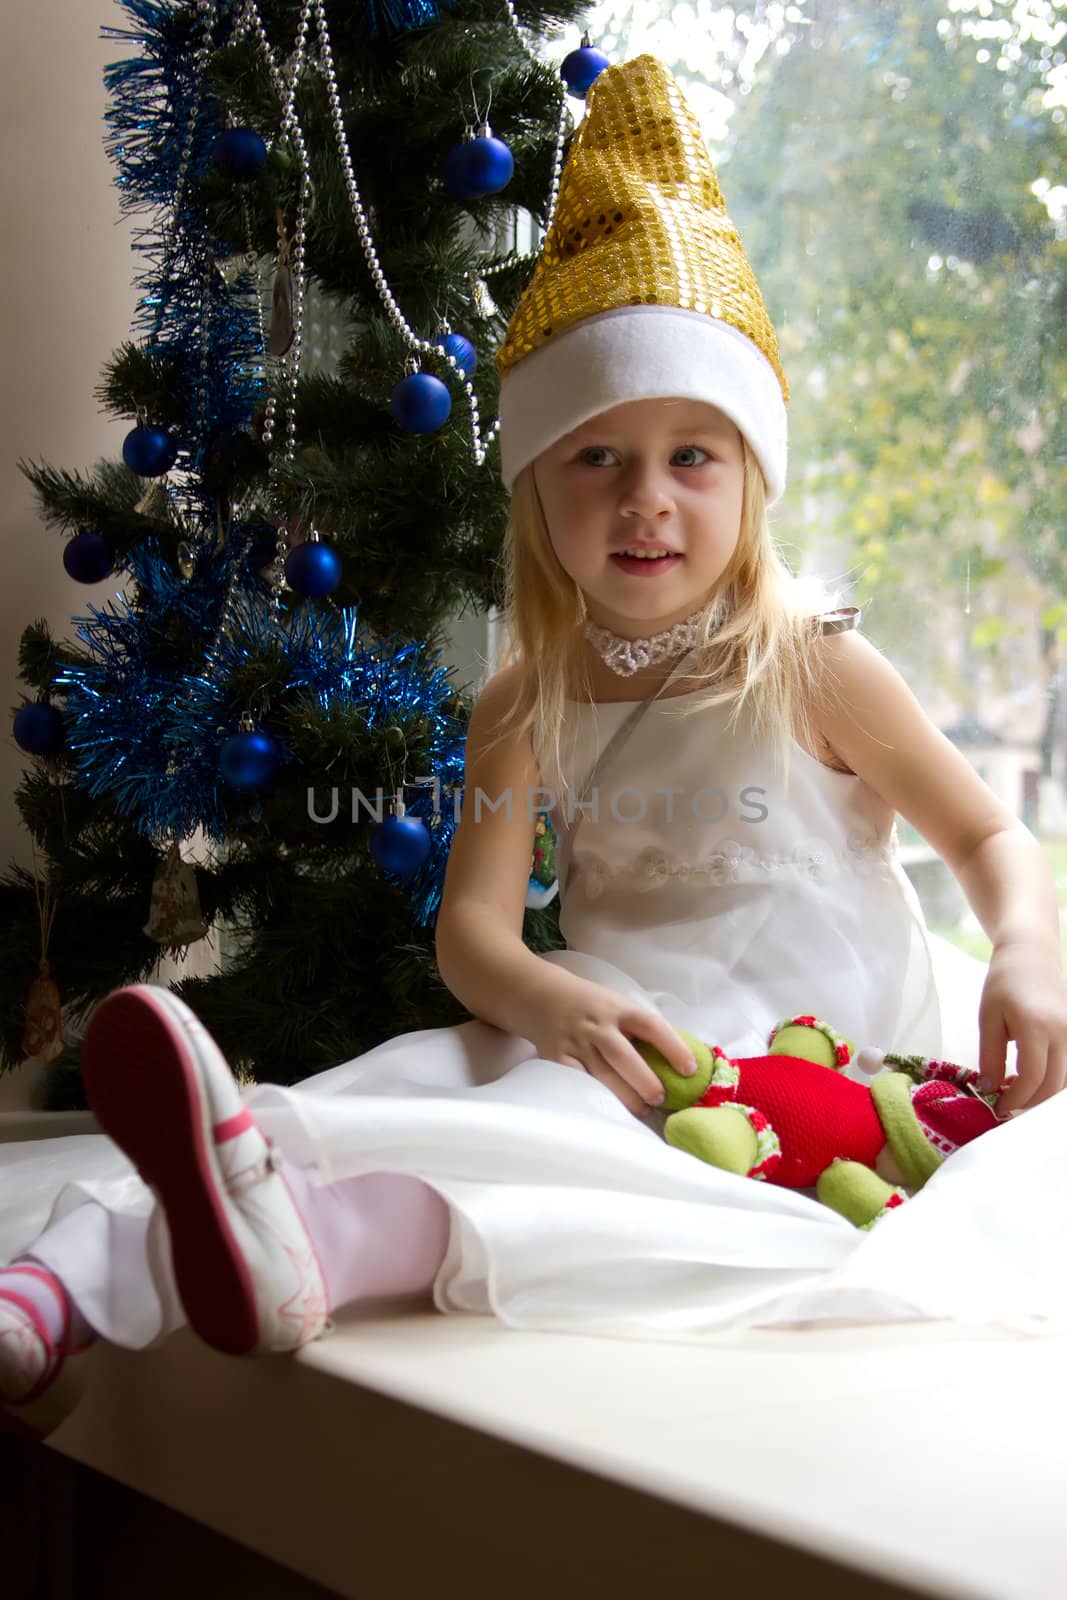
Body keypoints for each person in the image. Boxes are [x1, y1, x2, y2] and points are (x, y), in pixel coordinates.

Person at [3, 55, 1067, 1421]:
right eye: (597, 456)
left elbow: (983, 830)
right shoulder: (525, 701)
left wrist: (1030, 950)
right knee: (416, 1078)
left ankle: (302, 1247)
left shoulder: (810, 665)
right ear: (534, 488)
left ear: (753, 481)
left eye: (695, 455)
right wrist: (549, 1000)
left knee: (575, 1164)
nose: (648, 500)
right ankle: (64, 1284)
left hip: (795, 1058)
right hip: (613, 1016)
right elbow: (478, 937)